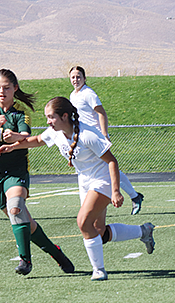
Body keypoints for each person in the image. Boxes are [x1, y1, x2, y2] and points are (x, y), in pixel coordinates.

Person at [0, 97, 155, 281]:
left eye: (51, 117)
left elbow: (112, 161)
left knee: (83, 222)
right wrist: (12, 147)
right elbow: (37, 140)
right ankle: (144, 231)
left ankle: (99, 270)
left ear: (64, 116)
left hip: (102, 179)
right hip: (84, 181)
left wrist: (116, 190)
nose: (48, 121)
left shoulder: (88, 134)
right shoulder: (56, 132)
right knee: (99, 232)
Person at [0, 69, 74, 276]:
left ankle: (25, 261)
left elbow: (25, 136)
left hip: (15, 171)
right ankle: (56, 252)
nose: (1, 91)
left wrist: (13, 136)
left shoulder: (20, 112)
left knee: (15, 208)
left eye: (6, 87)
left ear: (15, 88)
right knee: (24, 221)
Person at [69, 66, 144, 215]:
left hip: (94, 137)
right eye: (73, 77)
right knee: (106, 169)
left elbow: (101, 113)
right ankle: (134, 196)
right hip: (84, 138)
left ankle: (133, 196)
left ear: (84, 78)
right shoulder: (73, 95)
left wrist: (104, 134)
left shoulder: (88, 93)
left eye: (78, 77)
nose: (75, 80)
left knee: (109, 167)